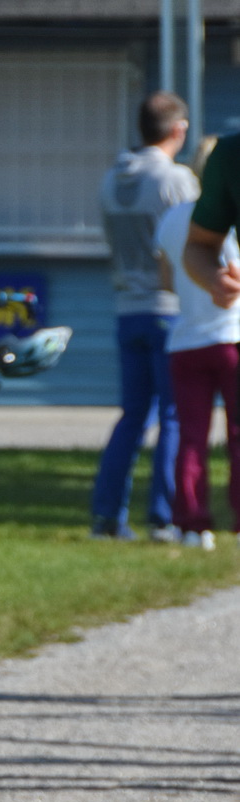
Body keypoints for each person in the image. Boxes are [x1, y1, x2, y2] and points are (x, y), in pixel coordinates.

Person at [90, 91, 198, 541]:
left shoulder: (111, 179)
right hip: (169, 310)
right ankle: (163, 517)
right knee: (173, 415)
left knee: (132, 414)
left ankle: (107, 518)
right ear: (179, 129)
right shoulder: (177, 180)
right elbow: (192, 245)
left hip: (126, 308)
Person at [155, 185, 240, 547]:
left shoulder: (173, 217)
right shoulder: (232, 218)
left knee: (191, 436)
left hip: (187, 339)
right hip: (232, 334)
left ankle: (192, 524)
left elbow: (166, 281)